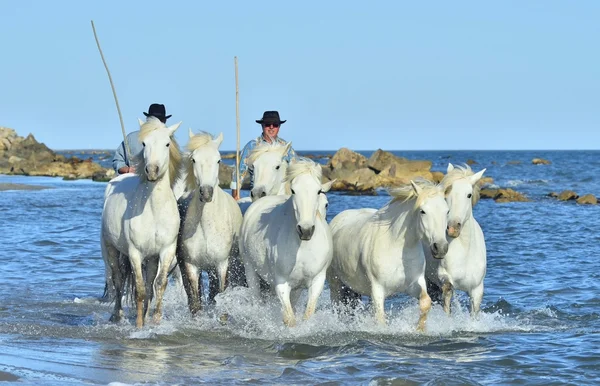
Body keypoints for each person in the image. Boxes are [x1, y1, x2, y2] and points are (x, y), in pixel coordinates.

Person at [231, 111, 296, 200]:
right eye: (268, 124)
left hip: (282, 198)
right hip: (258, 195)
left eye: (275, 125)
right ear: (262, 126)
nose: (271, 127)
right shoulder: (252, 146)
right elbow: (239, 173)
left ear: (279, 127)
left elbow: (296, 172)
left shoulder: (286, 148)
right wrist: (235, 196)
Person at [112, 103, 172, 174]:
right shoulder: (131, 138)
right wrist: (128, 169)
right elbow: (118, 160)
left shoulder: (169, 141)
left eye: (159, 120)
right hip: (134, 181)